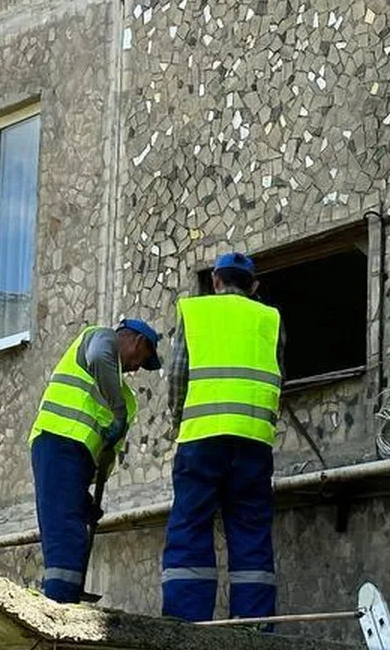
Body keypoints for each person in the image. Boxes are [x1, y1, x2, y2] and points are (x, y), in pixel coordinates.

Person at [161, 252, 285, 623]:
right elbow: (279, 378)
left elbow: (178, 377)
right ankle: (253, 625)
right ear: (255, 287)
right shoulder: (270, 319)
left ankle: (187, 621)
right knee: (251, 530)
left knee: (191, 523)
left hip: (201, 437)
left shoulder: (196, 313)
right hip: (253, 441)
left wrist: (177, 426)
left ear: (215, 281)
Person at [29, 318, 163, 602]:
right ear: (138, 342)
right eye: (142, 359)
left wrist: (86, 496)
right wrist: (118, 412)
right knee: (64, 530)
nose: (137, 368)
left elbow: (106, 447)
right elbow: (101, 355)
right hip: (58, 439)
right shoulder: (100, 338)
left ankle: (68, 595)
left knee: (72, 528)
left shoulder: (121, 390)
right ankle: (60, 605)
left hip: (74, 457)